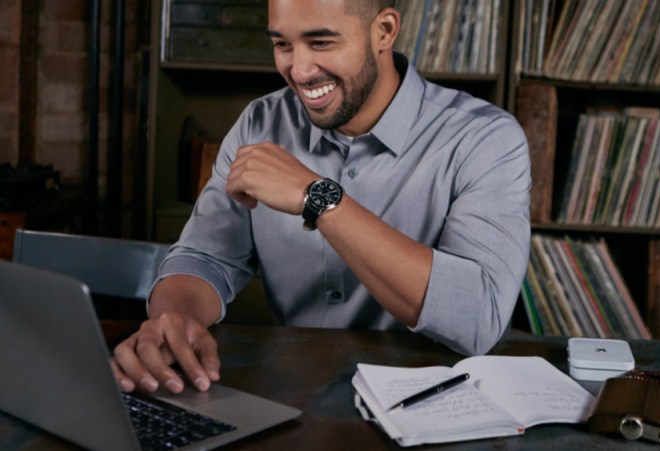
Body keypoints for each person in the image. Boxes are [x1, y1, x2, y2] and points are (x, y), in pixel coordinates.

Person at [112, 0, 531, 395]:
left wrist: (318, 197)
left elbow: (478, 318)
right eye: (282, 44)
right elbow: (206, 256)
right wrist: (176, 318)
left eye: (321, 42)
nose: (298, 69)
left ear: (384, 31)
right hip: (295, 398)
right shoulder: (260, 123)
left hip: (434, 408)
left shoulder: (485, 139)